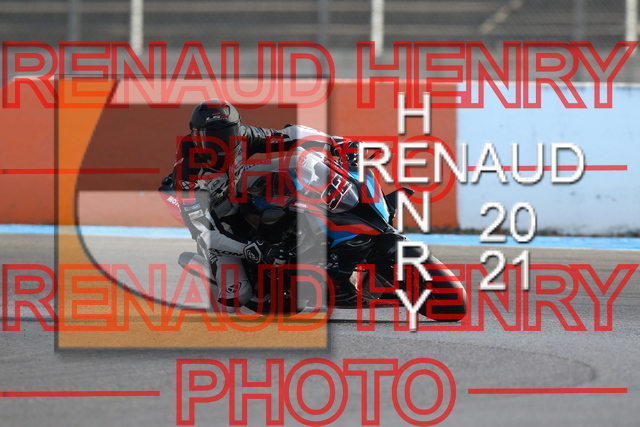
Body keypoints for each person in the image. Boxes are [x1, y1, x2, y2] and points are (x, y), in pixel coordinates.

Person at [159, 99, 358, 310]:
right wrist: (250, 250)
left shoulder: (244, 135)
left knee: (302, 159)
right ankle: (208, 263)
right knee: (237, 294)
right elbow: (206, 234)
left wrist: (337, 142)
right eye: (211, 139)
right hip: (215, 215)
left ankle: (331, 211)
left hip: (238, 183)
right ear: (194, 136)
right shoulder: (187, 176)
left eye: (227, 135)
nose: (220, 145)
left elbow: (291, 134)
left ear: (237, 130)